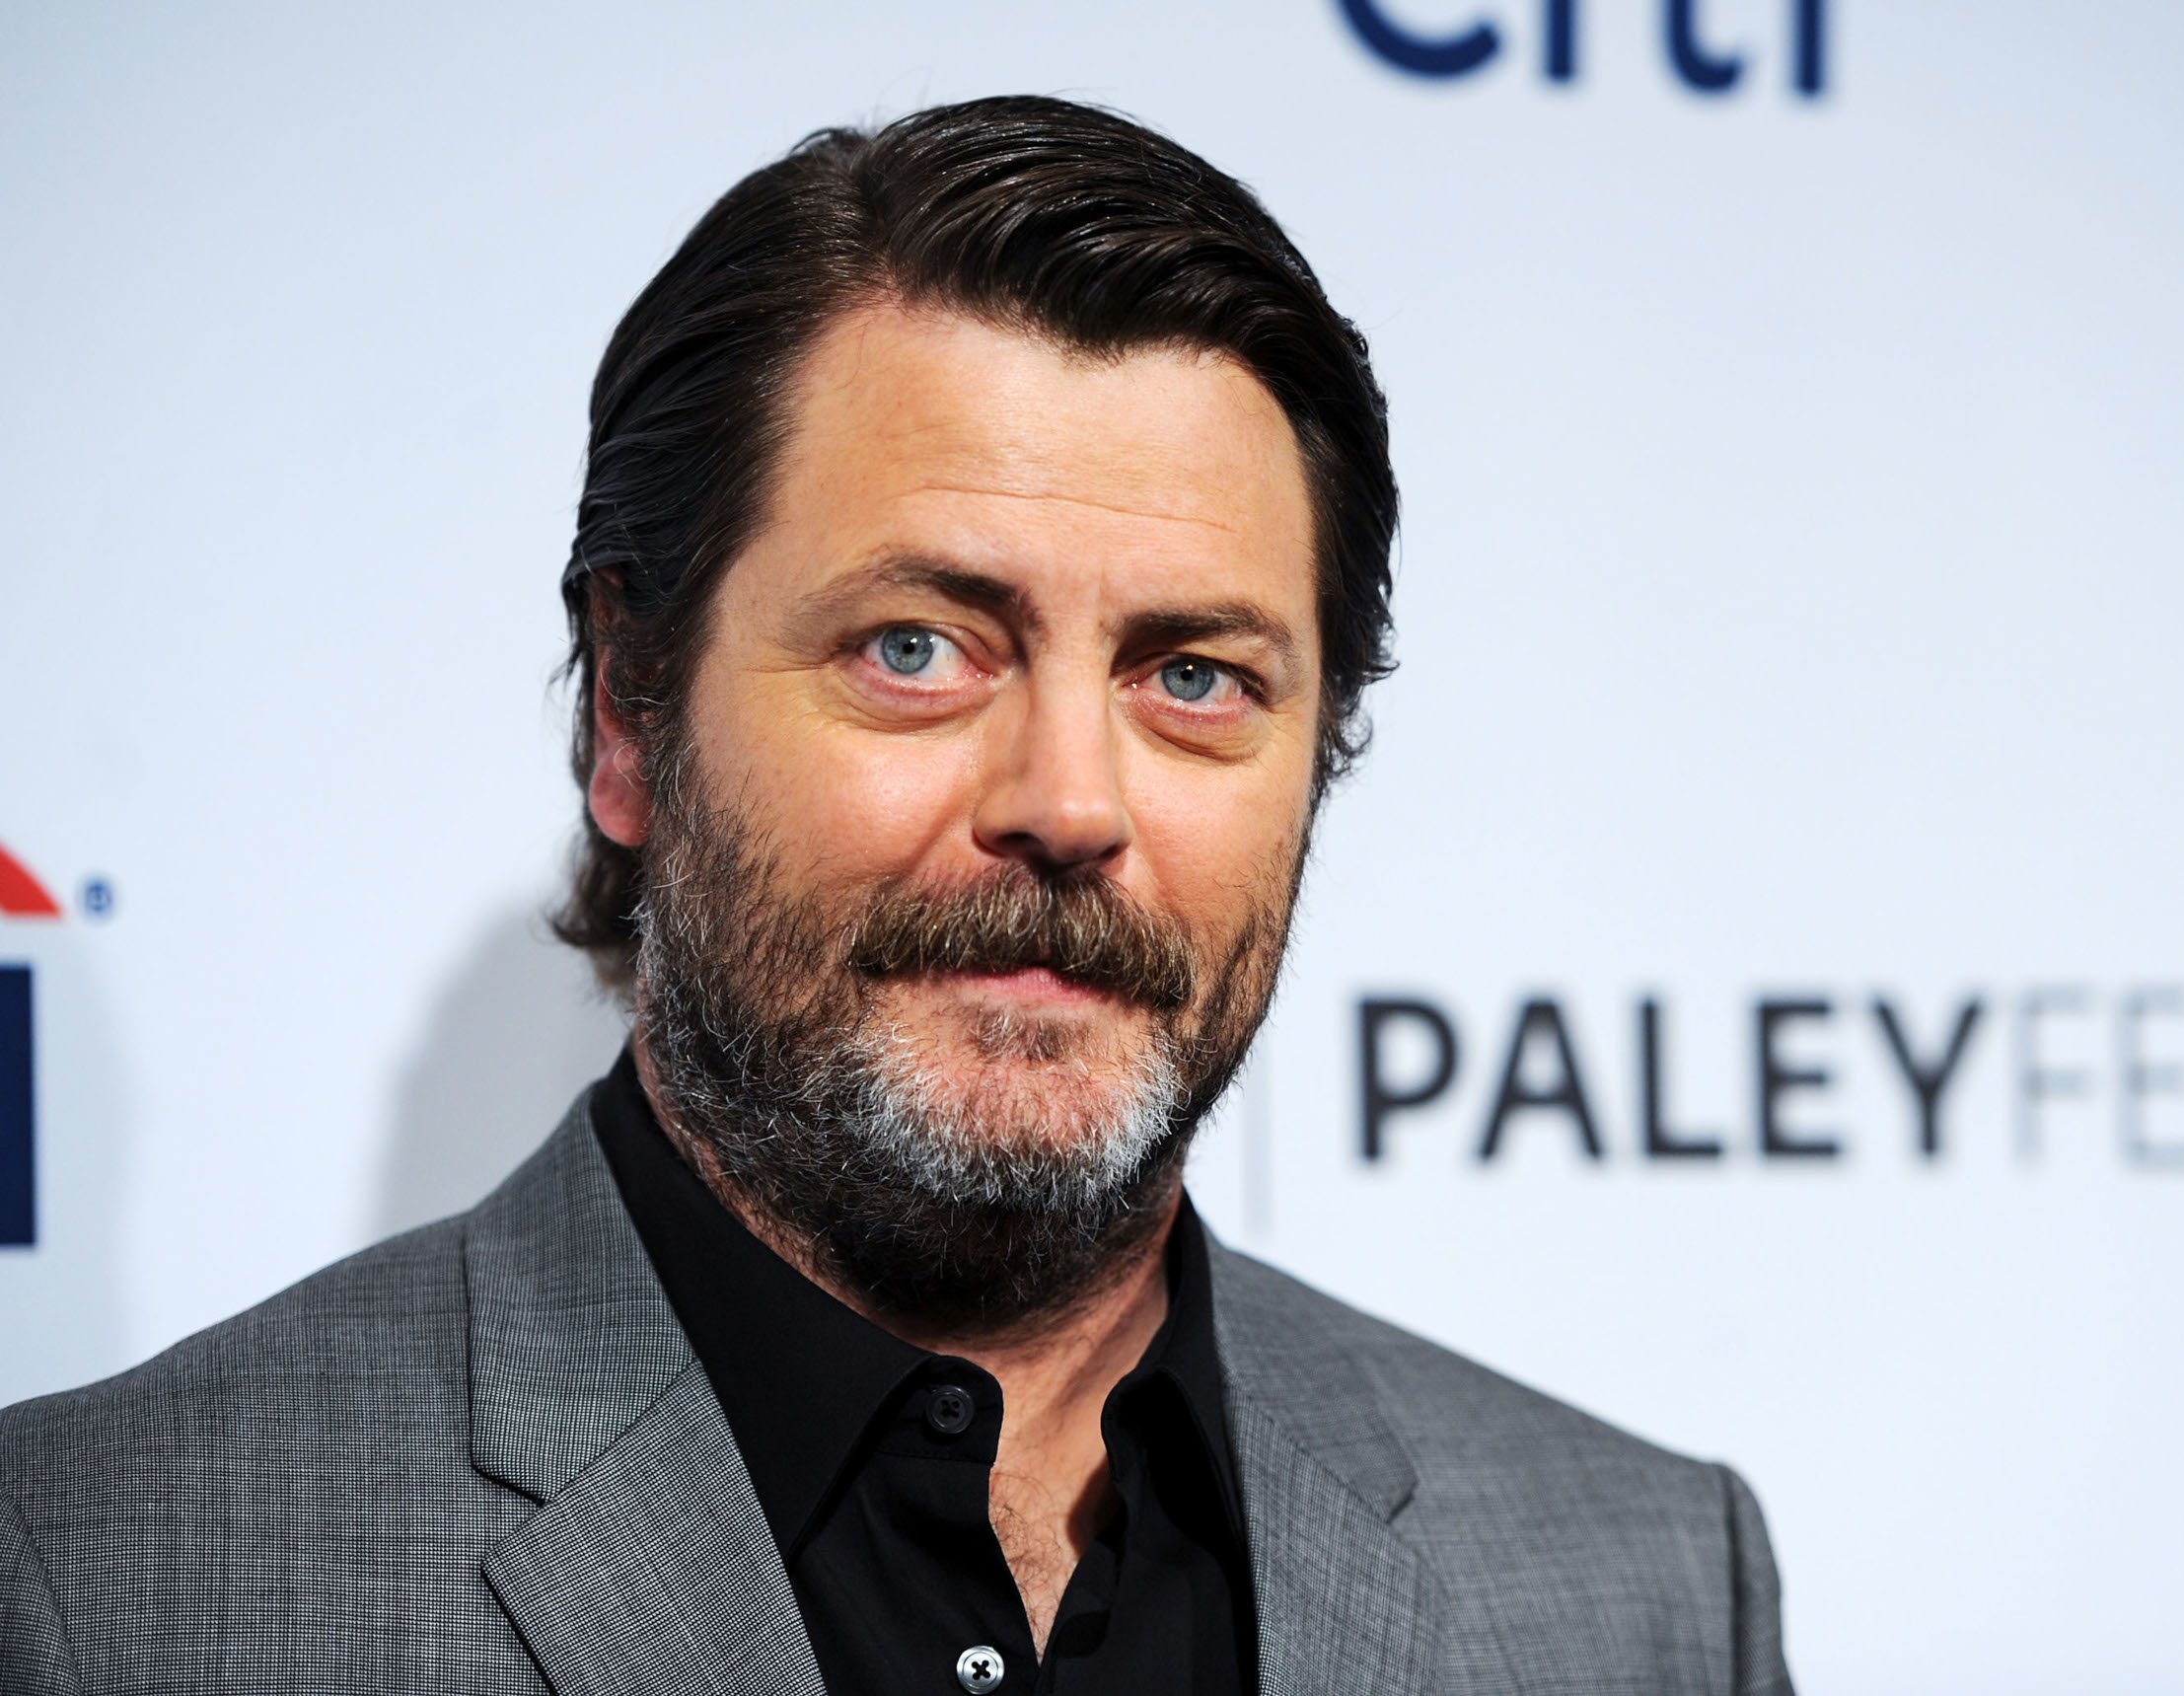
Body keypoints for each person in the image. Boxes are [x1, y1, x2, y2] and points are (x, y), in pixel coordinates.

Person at [0, 97, 1791, 1695]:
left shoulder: (1641, 1593)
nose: (1069, 806)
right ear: (629, 707)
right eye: (918, 647)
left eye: (1193, 677)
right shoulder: (93, 1590)